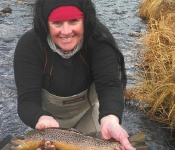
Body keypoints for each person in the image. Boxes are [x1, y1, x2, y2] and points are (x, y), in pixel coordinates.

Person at [14, 0, 135, 149]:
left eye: (74, 21)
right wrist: (40, 118)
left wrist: (110, 119)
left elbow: (109, 85)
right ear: (46, 23)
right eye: (57, 23)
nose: (66, 32)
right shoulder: (29, 46)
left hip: (91, 116)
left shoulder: (100, 39)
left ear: (85, 20)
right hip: (45, 124)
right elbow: (27, 101)